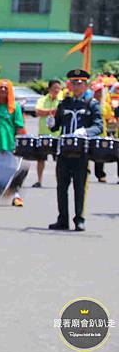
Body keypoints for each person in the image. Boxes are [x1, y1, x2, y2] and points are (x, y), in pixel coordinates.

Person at [48, 69, 103, 232]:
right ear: (70, 85)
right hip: (64, 151)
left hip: (82, 152)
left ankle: (79, 219)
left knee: (80, 187)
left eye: (80, 83)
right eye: (74, 82)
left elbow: (99, 126)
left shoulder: (91, 104)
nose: (77, 85)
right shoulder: (64, 103)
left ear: (86, 85)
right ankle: (62, 219)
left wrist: (86, 131)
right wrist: (52, 123)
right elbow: (57, 126)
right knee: (61, 188)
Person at [0, 79, 27, 207]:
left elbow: (19, 127)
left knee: (10, 171)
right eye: (1, 87)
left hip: (8, 144)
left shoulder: (15, 107)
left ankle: (16, 195)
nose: (3, 90)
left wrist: (19, 145)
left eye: (6, 88)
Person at [33, 79, 63, 187]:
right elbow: (37, 111)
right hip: (43, 133)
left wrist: (46, 112)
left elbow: (60, 113)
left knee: (59, 160)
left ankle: (59, 182)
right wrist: (53, 111)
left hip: (57, 134)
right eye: (54, 88)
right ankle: (39, 180)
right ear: (49, 89)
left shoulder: (62, 101)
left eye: (58, 88)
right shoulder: (42, 99)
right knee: (40, 159)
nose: (56, 90)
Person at [90, 80, 114, 182]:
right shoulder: (89, 103)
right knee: (87, 154)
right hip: (90, 133)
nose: (98, 94)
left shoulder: (105, 105)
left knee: (100, 155)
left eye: (100, 91)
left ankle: (100, 175)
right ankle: (84, 172)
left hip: (102, 133)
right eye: (96, 91)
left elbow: (109, 118)